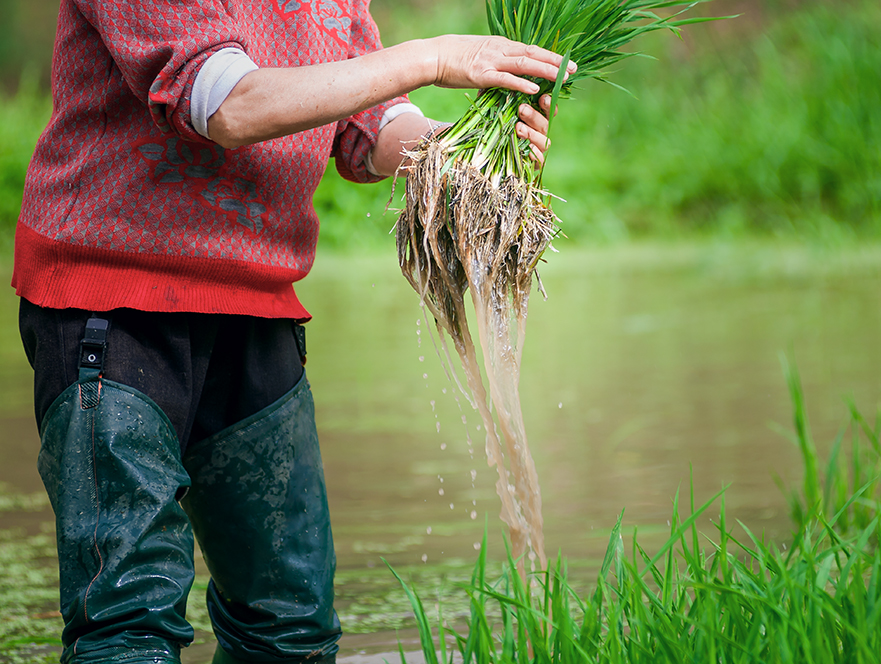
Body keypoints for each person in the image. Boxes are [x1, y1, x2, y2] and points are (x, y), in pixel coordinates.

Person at [13, 1, 575, 662]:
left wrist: (458, 154)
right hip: (111, 303)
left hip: (257, 304)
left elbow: (366, 119)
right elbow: (230, 105)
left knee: (292, 624)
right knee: (129, 622)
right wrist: (434, 57)